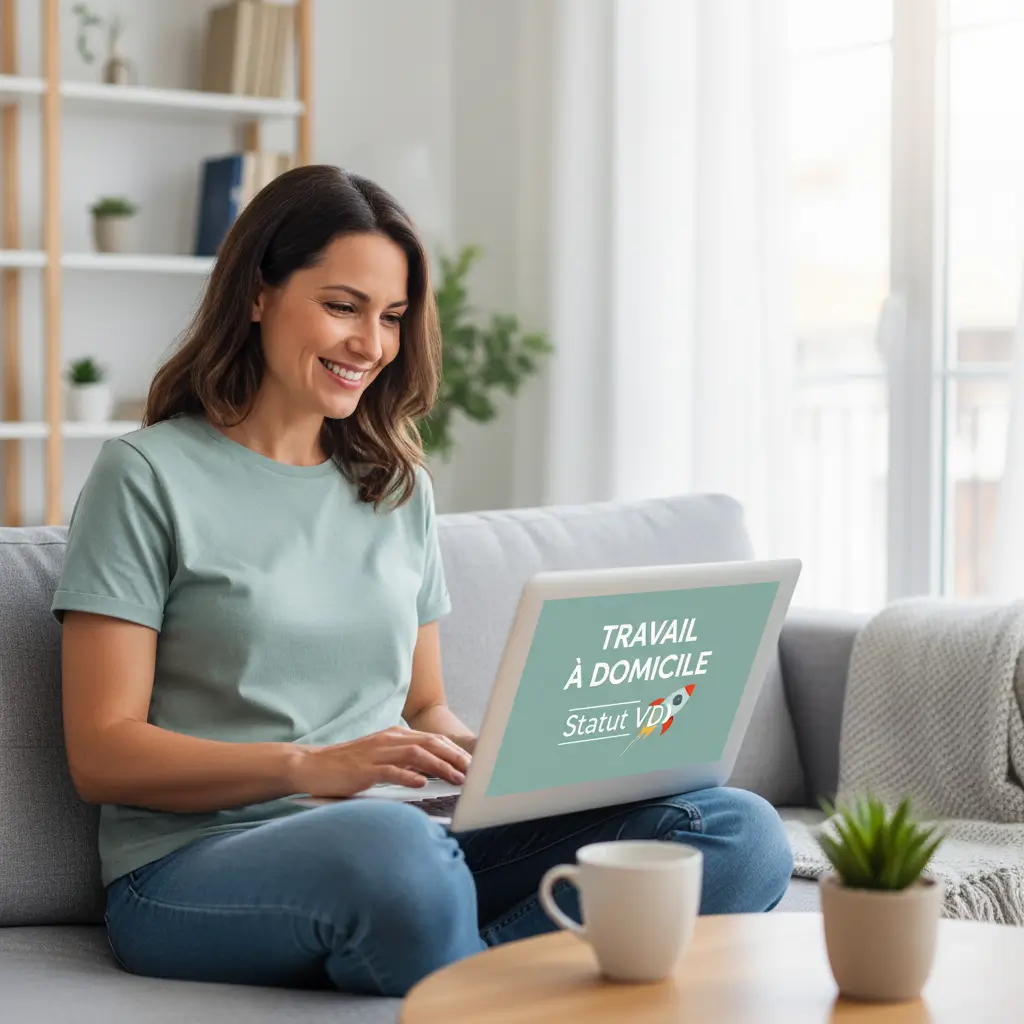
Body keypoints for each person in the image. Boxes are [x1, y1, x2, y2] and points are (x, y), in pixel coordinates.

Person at [54, 165, 793, 998]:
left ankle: (466, 979)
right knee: (395, 855)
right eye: (343, 306)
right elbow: (102, 753)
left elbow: (425, 704)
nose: (371, 344)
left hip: (400, 842)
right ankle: (493, 976)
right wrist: (307, 767)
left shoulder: (396, 486)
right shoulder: (145, 476)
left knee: (733, 830)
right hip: (195, 863)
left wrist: (507, 762)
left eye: (392, 317)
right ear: (258, 294)